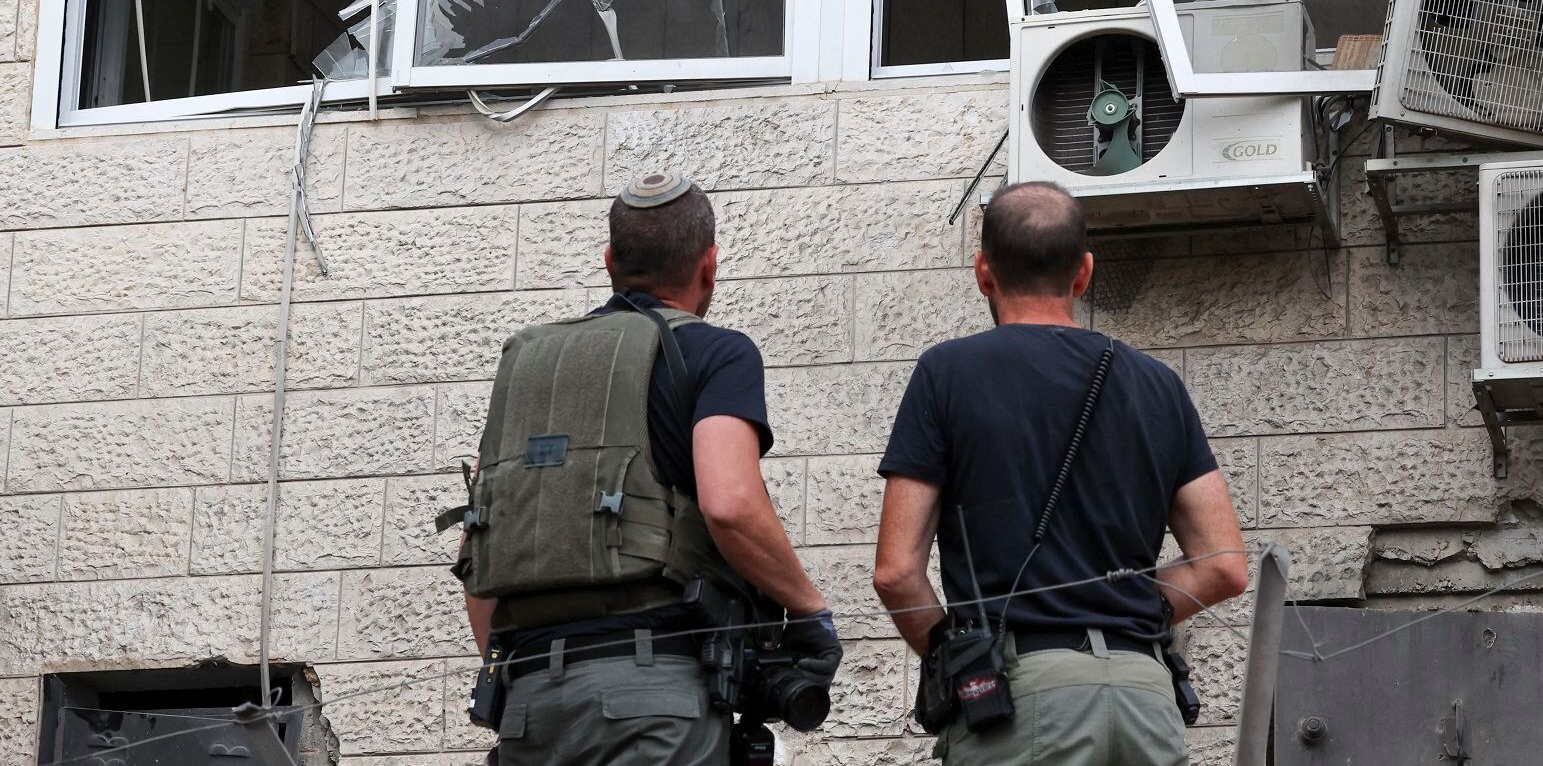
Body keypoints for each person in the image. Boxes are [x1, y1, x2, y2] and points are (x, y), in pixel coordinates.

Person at [451, 173, 841, 765]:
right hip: (652, 706)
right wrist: (810, 609)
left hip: (529, 709)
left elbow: (481, 552)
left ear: (609, 261)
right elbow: (729, 504)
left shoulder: (524, 366)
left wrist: (521, 678)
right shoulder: (716, 353)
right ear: (708, 266)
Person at [871, 181, 1248, 766]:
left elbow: (897, 573)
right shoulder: (1159, 386)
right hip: (1145, 696)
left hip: (1021, 701)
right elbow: (1223, 567)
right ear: (1084, 273)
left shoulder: (947, 373)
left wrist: (960, 659)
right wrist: (1119, 608)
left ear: (983, 272)